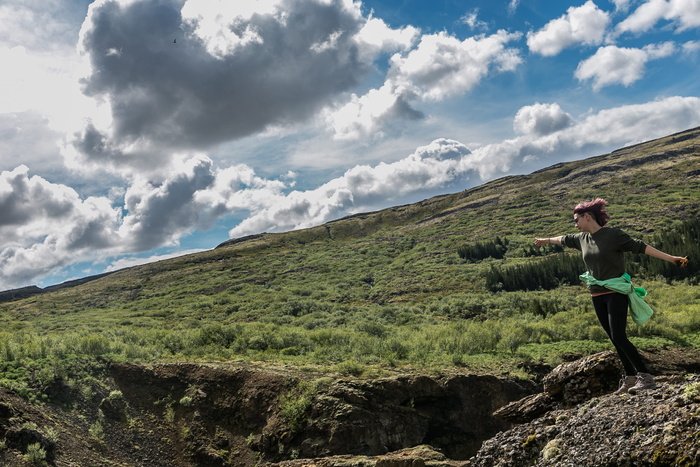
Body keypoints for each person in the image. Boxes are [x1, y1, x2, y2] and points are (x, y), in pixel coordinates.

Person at [534, 198, 688, 394]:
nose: (575, 224)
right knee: (613, 338)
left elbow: (641, 247)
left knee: (619, 336)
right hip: (596, 294)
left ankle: (645, 377)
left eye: (576, 220)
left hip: (616, 292)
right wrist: (545, 241)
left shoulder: (613, 235)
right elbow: (562, 238)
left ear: (587, 216)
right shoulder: (581, 239)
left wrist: (672, 259)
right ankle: (630, 378)